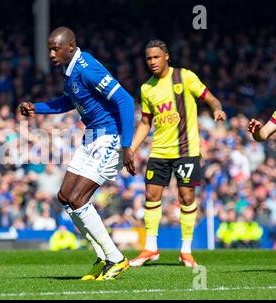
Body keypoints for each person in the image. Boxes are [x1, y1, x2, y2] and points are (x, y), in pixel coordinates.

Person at [19, 26, 136, 280]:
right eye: (49, 49)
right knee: (64, 196)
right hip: (91, 136)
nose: (51, 54)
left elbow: (125, 100)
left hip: (110, 137)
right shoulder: (69, 69)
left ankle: (116, 258)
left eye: (55, 48)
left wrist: (127, 146)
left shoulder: (87, 68)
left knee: (79, 198)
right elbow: (69, 101)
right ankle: (103, 257)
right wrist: (36, 107)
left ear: (70, 47)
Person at [129, 40, 226, 267]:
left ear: (166, 56)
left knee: (187, 198)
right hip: (159, 151)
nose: (152, 62)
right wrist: (131, 149)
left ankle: (186, 250)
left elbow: (210, 98)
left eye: (156, 57)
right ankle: (151, 248)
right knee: (152, 197)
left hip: (186, 151)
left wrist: (217, 109)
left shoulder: (185, 77)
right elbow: (145, 122)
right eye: (148, 58)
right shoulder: (146, 88)